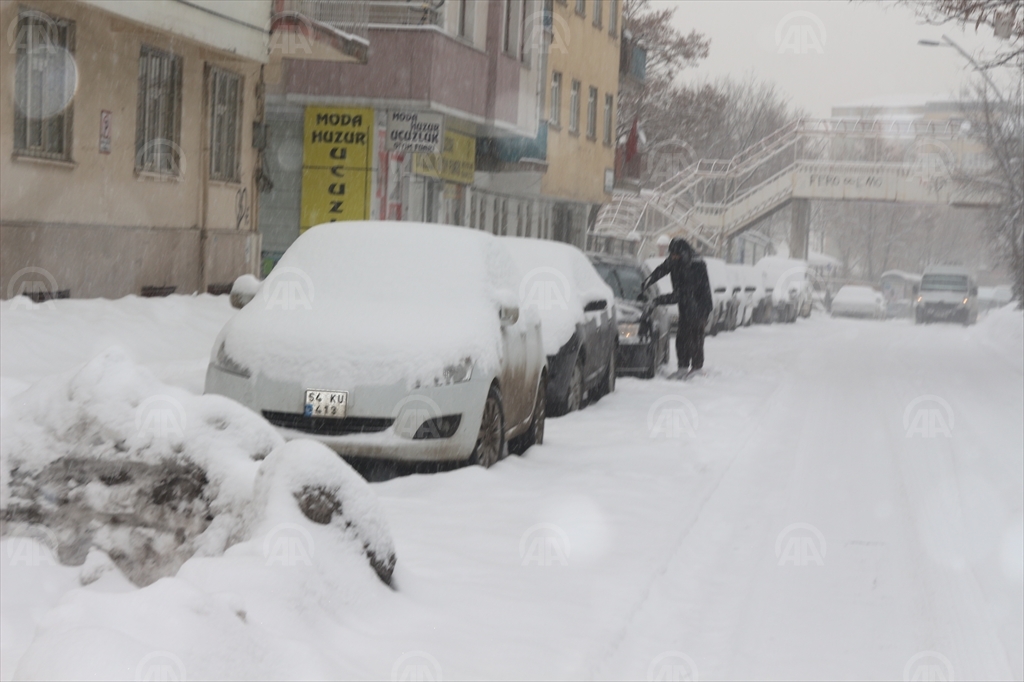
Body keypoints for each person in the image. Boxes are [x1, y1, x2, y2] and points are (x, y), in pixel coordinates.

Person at [641, 237, 713, 373]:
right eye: (671, 255)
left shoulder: (696, 266)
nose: (672, 258)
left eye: (675, 255)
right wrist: (648, 281)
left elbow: (681, 294)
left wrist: (657, 300)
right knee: (681, 338)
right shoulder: (676, 260)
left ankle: (696, 368)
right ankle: (683, 367)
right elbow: (663, 269)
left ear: (683, 254)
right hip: (686, 305)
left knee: (694, 337)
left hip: (700, 306)